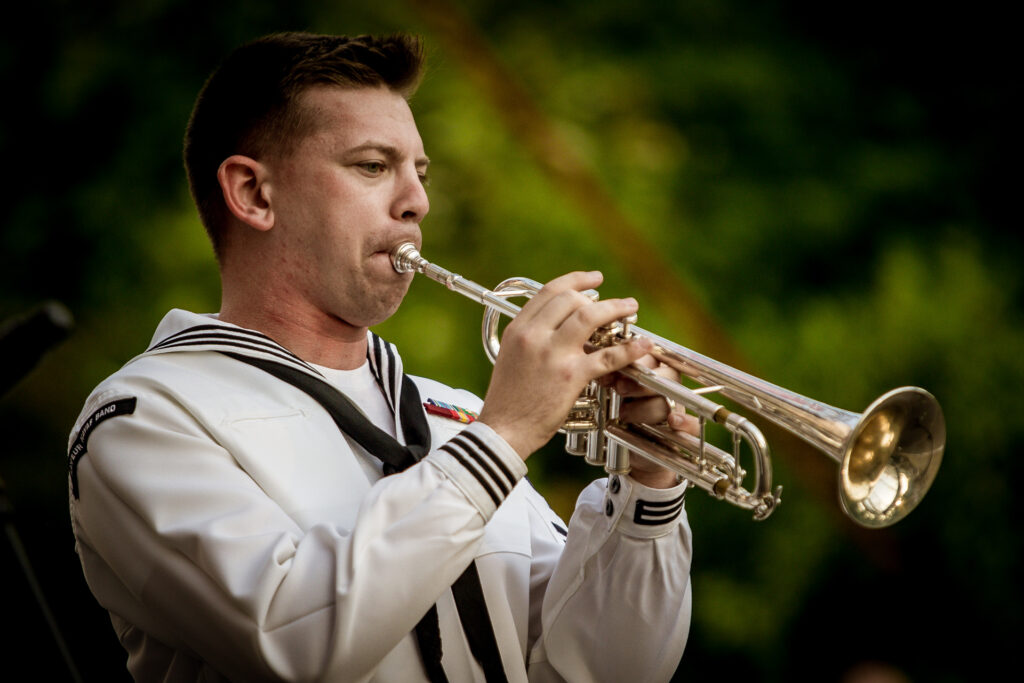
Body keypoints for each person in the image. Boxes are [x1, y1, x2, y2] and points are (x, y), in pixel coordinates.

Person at [67, 32, 695, 682]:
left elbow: (602, 670)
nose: (417, 201)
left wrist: (648, 487)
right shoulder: (143, 419)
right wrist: (503, 436)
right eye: (372, 166)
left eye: (419, 173)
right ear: (254, 193)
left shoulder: (454, 414)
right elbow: (297, 643)